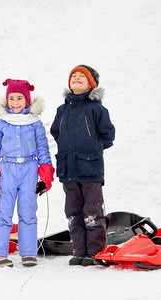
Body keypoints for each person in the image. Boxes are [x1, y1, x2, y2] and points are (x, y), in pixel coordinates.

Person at [0, 79, 55, 268]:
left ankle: (28, 252)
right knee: (4, 211)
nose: (15, 103)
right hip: (7, 169)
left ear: (27, 100)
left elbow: (42, 149)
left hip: (29, 170)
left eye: (19, 98)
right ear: (6, 101)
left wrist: (45, 176)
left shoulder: (35, 124)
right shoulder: (1, 124)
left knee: (28, 211)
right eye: (12, 98)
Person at [50, 65, 115, 266]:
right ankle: (79, 251)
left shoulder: (97, 109)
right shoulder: (62, 110)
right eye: (73, 76)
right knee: (73, 212)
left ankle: (94, 252)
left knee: (92, 212)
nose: (76, 78)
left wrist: (91, 150)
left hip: (90, 170)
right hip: (68, 170)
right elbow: (56, 132)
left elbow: (108, 136)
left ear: (91, 84)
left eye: (82, 76)